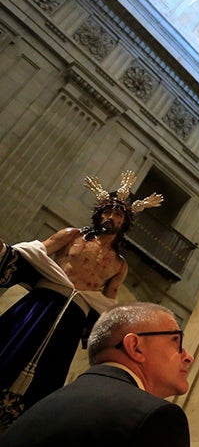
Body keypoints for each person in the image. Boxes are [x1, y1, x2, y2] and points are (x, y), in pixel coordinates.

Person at [0, 170, 162, 426]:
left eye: (117, 214)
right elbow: (34, 252)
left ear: (124, 223)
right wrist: (6, 253)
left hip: (71, 321)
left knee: (49, 371)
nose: (110, 217)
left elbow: (107, 307)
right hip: (41, 305)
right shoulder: (71, 236)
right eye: (106, 212)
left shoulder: (119, 265)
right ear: (99, 215)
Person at [0, 302, 193, 447]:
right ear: (136, 347)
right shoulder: (155, 417)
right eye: (176, 340)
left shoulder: (48, 404)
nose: (188, 357)